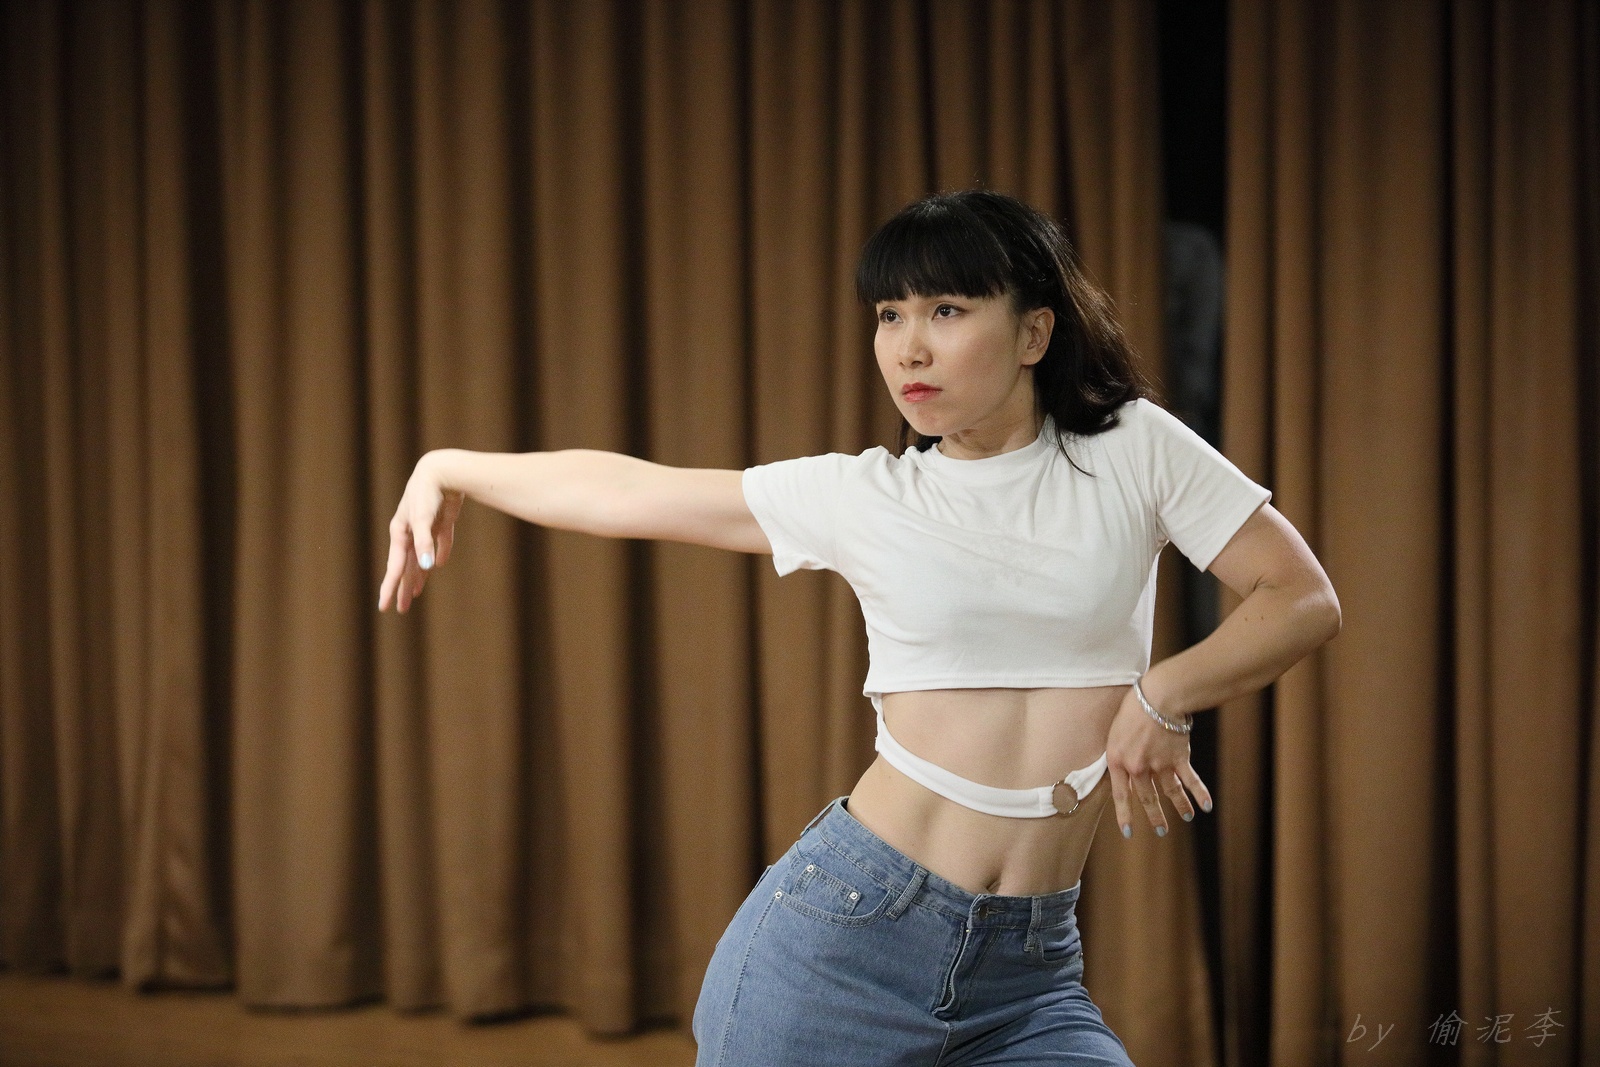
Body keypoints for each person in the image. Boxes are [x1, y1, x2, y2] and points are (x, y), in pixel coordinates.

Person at [377, 190, 1341, 1066]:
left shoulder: (1133, 451)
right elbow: (636, 491)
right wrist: (450, 465)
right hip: (843, 942)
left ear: (1034, 331)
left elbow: (1300, 598)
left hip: (1028, 972)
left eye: (946, 311)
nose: (908, 347)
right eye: (889, 315)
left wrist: (1165, 694)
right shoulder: (869, 496)